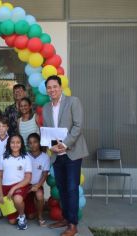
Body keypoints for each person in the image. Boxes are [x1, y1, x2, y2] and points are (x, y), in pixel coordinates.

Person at [43, 75, 88, 236]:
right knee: (61, 188)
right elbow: (47, 131)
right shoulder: (47, 107)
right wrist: (52, 146)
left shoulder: (73, 101)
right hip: (57, 154)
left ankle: (73, 225)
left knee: (71, 188)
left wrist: (65, 144)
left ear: (60, 87)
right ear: (46, 90)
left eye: (55, 86)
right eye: (49, 87)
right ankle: (65, 218)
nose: (52, 90)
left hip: (72, 153)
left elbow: (78, 126)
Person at [0, 134, 32, 230]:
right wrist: (0, 194)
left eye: (18, 142)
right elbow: (0, 176)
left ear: (21, 144)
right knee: (12, 221)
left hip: (20, 186)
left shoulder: (26, 158)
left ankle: (22, 216)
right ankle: (17, 213)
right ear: (9, 144)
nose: (15, 145)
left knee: (17, 199)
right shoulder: (3, 157)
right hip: (5, 188)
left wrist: (13, 188)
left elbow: (28, 179)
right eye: (12, 142)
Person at [25, 133, 49, 226]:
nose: (33, 145)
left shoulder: (45, 157)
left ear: (39, 143)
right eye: (30, 143)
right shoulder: (25, 156)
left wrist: (38, 186)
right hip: (26, 185)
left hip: (37, 185)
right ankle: (33, 209)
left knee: (39, 195)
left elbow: (45, 174)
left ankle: (40, 216)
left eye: (35, 142)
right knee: (30, 217)